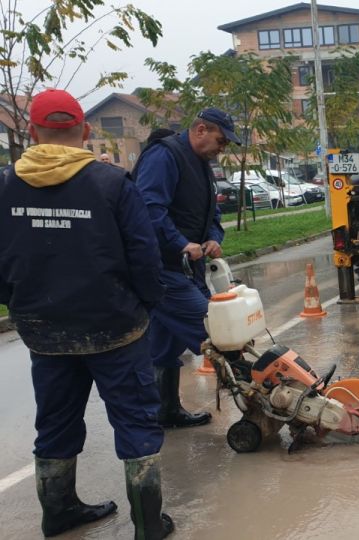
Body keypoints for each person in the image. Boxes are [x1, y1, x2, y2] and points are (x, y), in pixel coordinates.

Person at [0, 89, 173, 537]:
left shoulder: (5, 185)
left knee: (54, 422)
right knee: (135, 422)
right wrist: (146, 306)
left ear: (33, 132)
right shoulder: (111, 183)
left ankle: (58, 513)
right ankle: (148, 525)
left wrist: (19, 304)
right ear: (86, 131)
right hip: (115, 328)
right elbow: (145, 257)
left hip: (45, 332)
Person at [133, 108, 240, 428]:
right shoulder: (164, 157)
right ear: (200, 130)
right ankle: (260, 399)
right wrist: (180, 242)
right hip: (161, 269)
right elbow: (148, 208)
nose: (223, 149)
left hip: (186, 267)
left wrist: (212, 238)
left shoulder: (202, 166)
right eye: (221, 141)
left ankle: (163, 412)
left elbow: (213, 216)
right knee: (216, 331)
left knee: (163, 345)